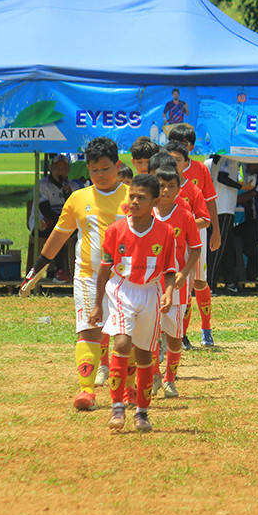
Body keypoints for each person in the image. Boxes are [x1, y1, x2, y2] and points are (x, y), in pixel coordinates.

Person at [20, 137, 128, 412]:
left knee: (127, 337)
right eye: (94, 170)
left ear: (117, 166)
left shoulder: (133, 196)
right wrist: (36, 270)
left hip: (128, 280)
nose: (100, 175)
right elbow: (58, 236)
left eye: (105, 168)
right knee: (89, 331)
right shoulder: (78, 198)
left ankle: (128, 389)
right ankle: (87, 391)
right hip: (88, 277)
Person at [89, 173, 176, 433]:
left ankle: (142, 412)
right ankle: (117, 407)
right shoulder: (116, 230)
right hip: (122, 290)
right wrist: (97, 304)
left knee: (145, 354)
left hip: (150, 292)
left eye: (141, 197)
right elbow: (105, 269)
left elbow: (170, 269)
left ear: (155, 201)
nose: (134, 201)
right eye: (132, 196)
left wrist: (168, 292)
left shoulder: (165, 232)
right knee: (122, 342)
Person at [165, 128, 220, 348]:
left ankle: (206, 328)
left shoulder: (199, 170)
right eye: (173, 141)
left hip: (196, 235)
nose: (178, 145)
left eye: (182, 142)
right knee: (180, 284)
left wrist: (216, 230)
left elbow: (210, 202)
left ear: (190, 147)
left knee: (198, 281)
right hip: (170, 238)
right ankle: (182, 334)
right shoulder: (160, 175)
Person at [151, 165, 202, 398]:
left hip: (177, 288)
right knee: (149, 334)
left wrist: (185, 272)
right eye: (161, 185)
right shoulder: (145, 213)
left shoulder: (184, 215)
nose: (165, 190)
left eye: (171, 186)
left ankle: (170, 379)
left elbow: (196, 248)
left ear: (179, 189)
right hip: (149, 284)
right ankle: (153, 376)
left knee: (174, 336)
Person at [26, 153, 82, 283]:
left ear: (68, 170)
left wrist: (68, 194)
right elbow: (45, 210)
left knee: (70, 233)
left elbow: (76, 209)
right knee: (58, 232)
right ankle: (55, 270)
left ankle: (65, 271)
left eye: (63, 169)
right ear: (51, 168)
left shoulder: (73, 186)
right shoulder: (42, 185)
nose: (60, 172)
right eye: (57, 168)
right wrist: (62, 222)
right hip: (42, 222)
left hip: (64, 223)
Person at [206, 154, 242, 292]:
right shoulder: (229, 157)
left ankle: (230, 282)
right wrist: (241, 186)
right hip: (223, 206)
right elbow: (222, 177)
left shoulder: (215, 159)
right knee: (217, 248)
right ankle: (208, 284)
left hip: (222, 206)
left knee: (226, 247)